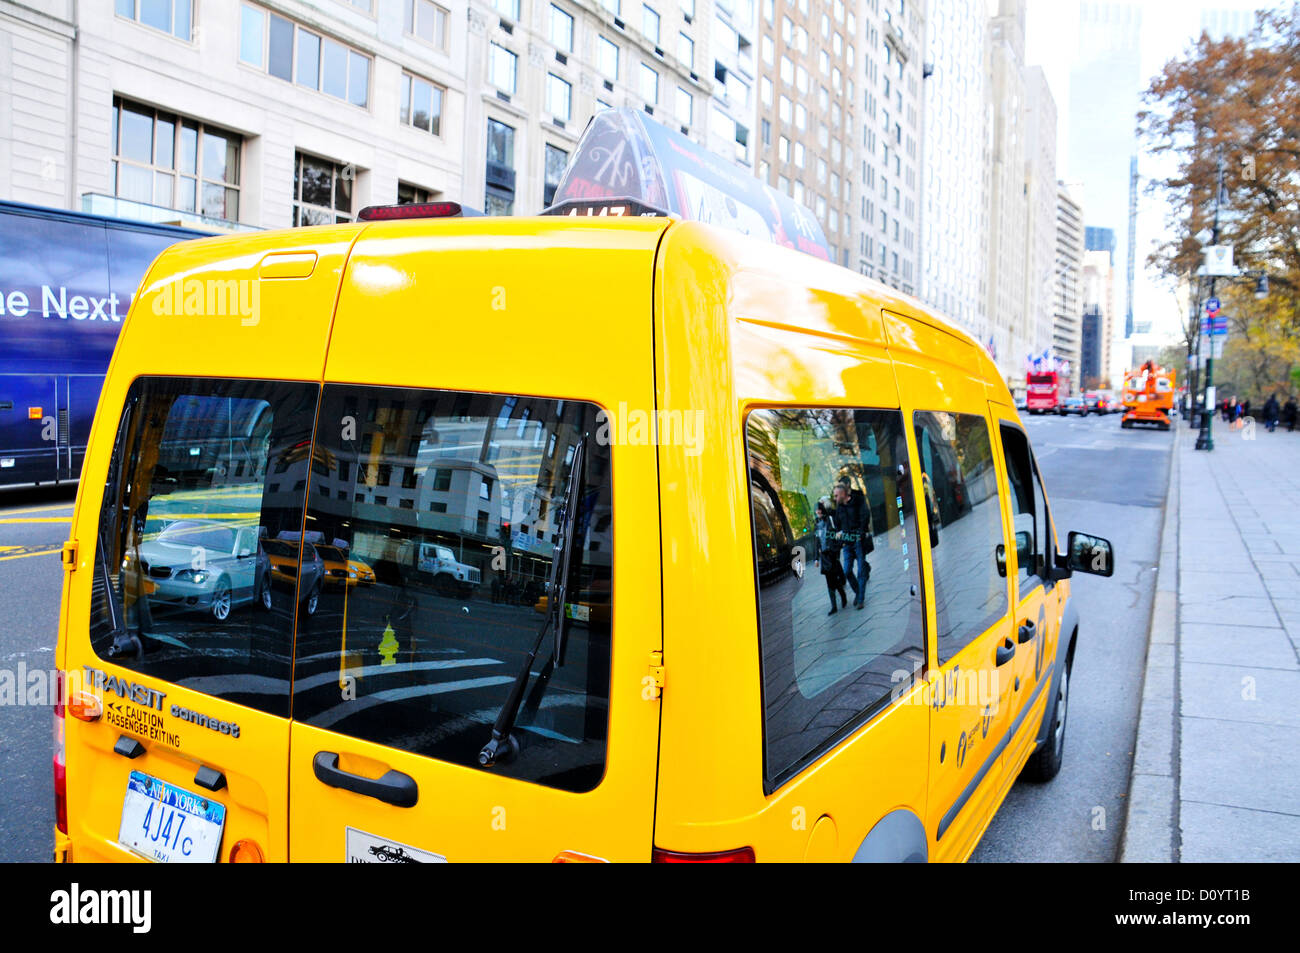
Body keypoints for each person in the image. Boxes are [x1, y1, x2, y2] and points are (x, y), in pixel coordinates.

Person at [833, 477, 872, 610]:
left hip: (858, 540)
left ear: (844, 494)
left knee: (861, 571)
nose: (835, 498)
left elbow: (865, 516)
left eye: (836, 495)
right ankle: (858, 593)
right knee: (847, 571)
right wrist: (839, 533)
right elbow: (838, 525)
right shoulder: (839, 508)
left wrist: (861, 533)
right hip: (847, 543)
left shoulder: (858, 500)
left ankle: (860, 599)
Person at [815, 501, 849, 615]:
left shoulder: (830, 520)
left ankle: (842, 596)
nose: (818, 512)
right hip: (824, 556)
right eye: (816, 510)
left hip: (832, 554)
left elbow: (837, 533)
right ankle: (834, 605)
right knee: (830, 581)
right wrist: (816, 558)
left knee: (833, 578)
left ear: (822, 510)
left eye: (819, 509)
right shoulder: (817, 525)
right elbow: (817, 542)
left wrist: (837, 547)